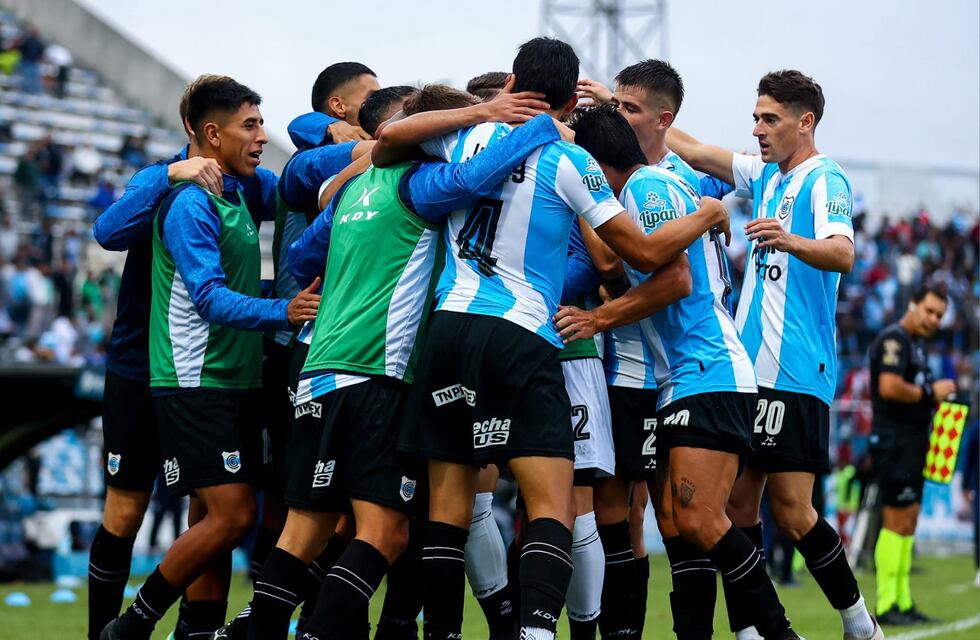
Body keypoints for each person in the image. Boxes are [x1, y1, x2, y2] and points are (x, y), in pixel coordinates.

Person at [376, 38, 729, 640]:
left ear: (513, 81)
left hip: (449, 329)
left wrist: (479, 111)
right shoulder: (571, 160)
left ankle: (442, 633)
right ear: (570, 100)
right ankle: (540, 632)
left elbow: (387, 143)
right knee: (554, 501)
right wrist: (708, 213)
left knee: (448, 511)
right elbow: (634, 255)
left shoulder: (464, 137)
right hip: (522, 335)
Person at [244, 86, 562, 640]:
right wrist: (540, 125)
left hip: (317, 370)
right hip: (377, 372)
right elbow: (471, 179)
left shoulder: (351, 192)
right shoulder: (418, 184)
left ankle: (263, 630)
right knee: (386, 532)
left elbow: (301, 256)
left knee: (305, 529)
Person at [560, 103, 799, 640]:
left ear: (593, 164)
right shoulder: (640, 191)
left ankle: (779, 633)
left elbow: (674, 281)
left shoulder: (646, 189)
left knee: (697, 520)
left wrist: (598, 318)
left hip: (707, 367)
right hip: (683, 376)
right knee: (675, 522)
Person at [100, 76, 320, 640]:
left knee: (213, 518)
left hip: (234, 378)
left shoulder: (240, 186)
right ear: (211, 133)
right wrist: (284, 312)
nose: (263, 136)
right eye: (251, 125)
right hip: (191, 376)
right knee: (230, 516)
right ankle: (127, 626)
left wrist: (359, 144)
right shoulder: (186, 198)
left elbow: (304, 181)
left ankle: (197, 632)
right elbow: (206, 295)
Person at [667, 70, 881, 640]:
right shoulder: (764, 174)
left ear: (804, 122)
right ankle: (752, 633)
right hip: (745, 369)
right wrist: (623, 106)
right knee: (737, 509)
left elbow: (842, 253)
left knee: (792, 511)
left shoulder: (824, 179)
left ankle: (860, 623)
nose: (758, 129)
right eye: (756, 118)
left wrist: (791, 240)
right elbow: (687, 147)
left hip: (794, 366)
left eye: (770, 119)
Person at [576, 59, 734, 637]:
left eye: (630, 107)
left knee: (674, 519)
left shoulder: (674, 180)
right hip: (624, 370)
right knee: (621, 516)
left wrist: (708, 210)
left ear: (663, 120)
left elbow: (627, 264)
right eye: (615, 106)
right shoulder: (610, 171)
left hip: (672, 373)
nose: (619, 115)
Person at [868, 284, 957, 624]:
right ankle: (887, 604)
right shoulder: (895, 340)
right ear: (913, 304)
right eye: (929, 311)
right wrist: (929, 392)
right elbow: (889, 387)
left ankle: (903, 601)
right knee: (894, 522)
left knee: (908, 521)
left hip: (912, 444)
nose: (933, 319)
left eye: (939, 315)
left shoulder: (916, 346)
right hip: (895, 443)